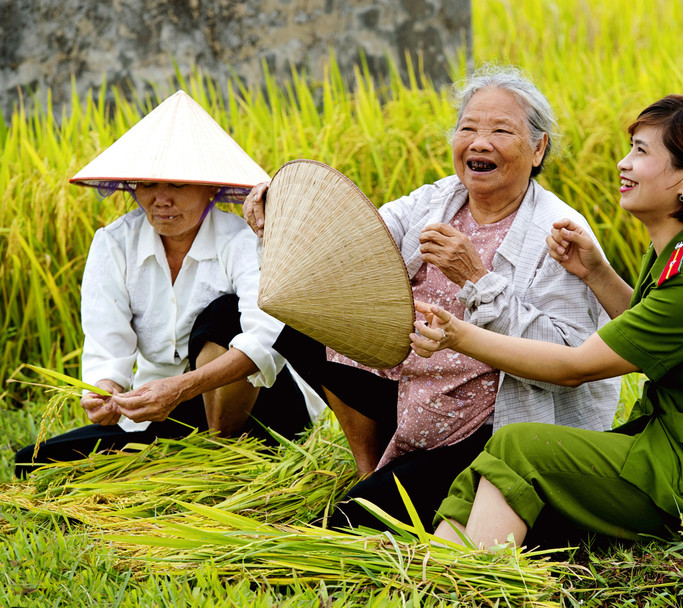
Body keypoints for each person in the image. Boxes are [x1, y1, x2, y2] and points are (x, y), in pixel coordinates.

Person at [243, 65, 620, 529]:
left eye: (501, 130)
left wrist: (477, 278)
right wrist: (279, 216)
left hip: (487, 421)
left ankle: (388, 483)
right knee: (304, 321)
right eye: (468, 128)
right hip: (410, 382)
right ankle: (373, 464)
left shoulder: (558, 233)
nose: (479, 143)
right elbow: (354, 242)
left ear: (538, 148)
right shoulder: (437, 199)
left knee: (350, 523)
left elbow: (568, 359)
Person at [410, 94, 683, 549]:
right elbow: (650, 334)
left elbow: (576, 367)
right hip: (676, 444)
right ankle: (436, 567)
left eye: (641, 152)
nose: (623, 164)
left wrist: (459, 335)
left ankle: (472, 583)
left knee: (517, 446)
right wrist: (597, 273)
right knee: (498, 457)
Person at [14, 91, 325, 478]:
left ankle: (219, 457)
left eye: (177, 185)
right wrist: (106, 391)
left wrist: (183, 388)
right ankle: (179, 463)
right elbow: (107, 347)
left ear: (211, 189)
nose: (161, 200)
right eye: (147, 184)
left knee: (223, 315)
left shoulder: (244, 241)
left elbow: (266, 341)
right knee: (34, 461)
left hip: (260, 407)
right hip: (162, 411)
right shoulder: (113, 244)